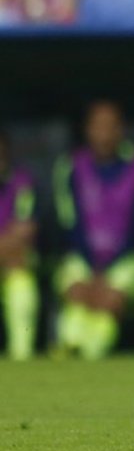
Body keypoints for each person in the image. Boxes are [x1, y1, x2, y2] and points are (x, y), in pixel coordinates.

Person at [52, 101, 134, 359]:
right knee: (75, 301)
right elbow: (67, 223)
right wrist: (94, 270)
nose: (104, 133)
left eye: (111, 126)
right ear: (87, 130)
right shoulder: (70, 166)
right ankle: (68, 347)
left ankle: (92, 355)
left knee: (109, 305)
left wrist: (106, 272)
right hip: (82, 256)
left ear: (121, 130)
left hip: (127, 259)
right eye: (98, 126)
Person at [0, 129, 38, 361]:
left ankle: (21, 358)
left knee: (21, 281)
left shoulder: (22, 182)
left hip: (12, 262)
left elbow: (23, 235)